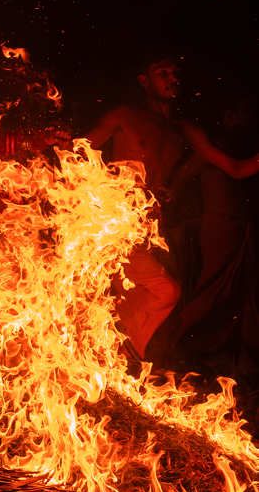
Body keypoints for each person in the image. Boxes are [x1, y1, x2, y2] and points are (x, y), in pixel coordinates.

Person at [87, 54, 259, 360]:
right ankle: (111, 355)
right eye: (161, 72)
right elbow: (77, 151)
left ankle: (113, 359)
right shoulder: (124, 116)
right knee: (161, 291)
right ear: (144, 80)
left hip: (144, 229)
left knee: (149, 294)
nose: (171, 78)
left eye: (174, 72)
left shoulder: (185, 131)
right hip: (109, 222)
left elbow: (236, 168)